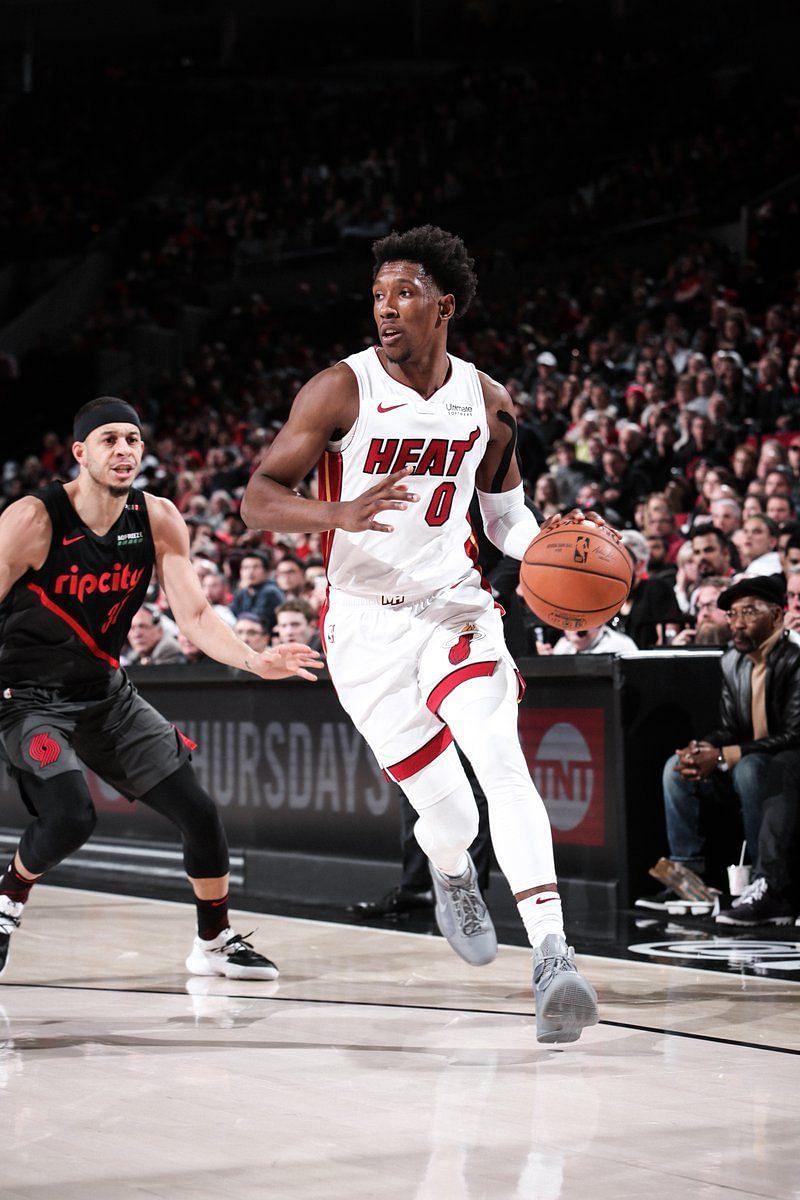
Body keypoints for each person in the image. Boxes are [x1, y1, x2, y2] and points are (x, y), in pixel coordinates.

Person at [241, 225, 599, 1044]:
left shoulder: (488, 399)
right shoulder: (340, 389)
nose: (386, 310)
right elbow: (258, 499)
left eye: (403, 294)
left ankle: (552, 951)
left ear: (444, 303)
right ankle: (452, 874)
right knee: (446, 818)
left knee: (501, 757)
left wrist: (552, 548)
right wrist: (336, 513)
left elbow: (507, 518)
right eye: (376, 296)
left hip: (453, 605)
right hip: (363, 627)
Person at [0, 397, 321, 980]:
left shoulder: (158, 517)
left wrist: (254, 660)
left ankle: (214, 941)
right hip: (27, 698)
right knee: (71, 817)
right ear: (80, 453)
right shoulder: (33, 519)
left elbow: (195, 617)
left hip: (106, 693)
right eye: (109, 440)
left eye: (133, 439)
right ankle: (6, 901)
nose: (124, 450)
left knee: (199, 814)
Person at [636, 576, 800, 912]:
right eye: (733, 614)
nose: (738, 623)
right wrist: (701, 749)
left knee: (750, 770)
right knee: (676, 768)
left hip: (786, 768)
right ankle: (690, 878)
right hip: (748, 760)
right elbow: (728, 727)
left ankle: (763, 881)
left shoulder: (794, 659)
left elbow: (795, 734)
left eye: (749, 613)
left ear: (777, 616)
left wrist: (725, 755)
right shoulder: (731, 661)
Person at [230, 550, 284, 631]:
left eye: (255, 567)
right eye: (246, 568)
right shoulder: (241, 592)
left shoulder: (271, 592)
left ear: (266, 571)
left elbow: (257, 621)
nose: (250, 572)